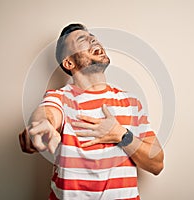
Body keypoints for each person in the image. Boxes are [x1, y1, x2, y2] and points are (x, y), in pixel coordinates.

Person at [19, 23, 164, 200]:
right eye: (83, 40)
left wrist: (121, 135)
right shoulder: (60, 98)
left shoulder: (131, 103)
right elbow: (48, 113)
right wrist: (41, 126)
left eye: (93, 38)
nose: (93, 40)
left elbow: (157, 163)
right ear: (69, 62)